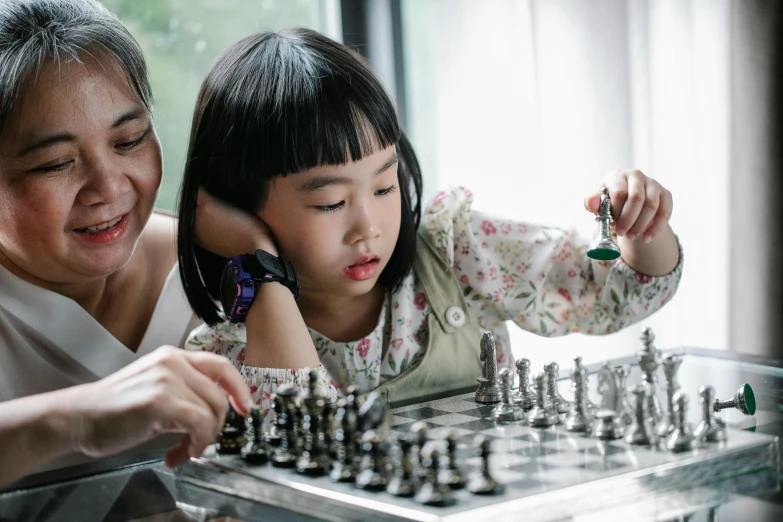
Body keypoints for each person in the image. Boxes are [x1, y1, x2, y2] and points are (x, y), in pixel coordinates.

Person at [178, 29, 683, 413]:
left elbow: (622, 296)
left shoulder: (458, 250)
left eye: (383, 186)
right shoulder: (232, 345)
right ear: (240, 205)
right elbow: (299, 449)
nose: (368, 227)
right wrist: (260, 270)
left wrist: (642, 226)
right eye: (331, 203)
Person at [0, 0, 252, 487]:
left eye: (130, 139)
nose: (109, 188)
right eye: (55, 163)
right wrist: (77, 417)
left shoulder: (219, 263)